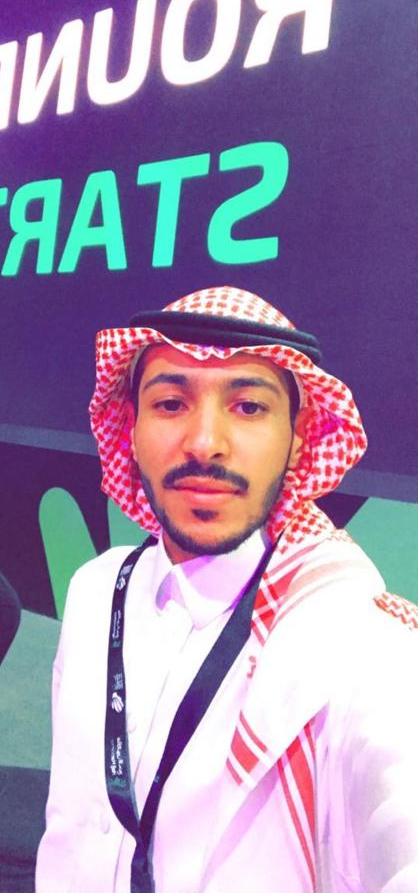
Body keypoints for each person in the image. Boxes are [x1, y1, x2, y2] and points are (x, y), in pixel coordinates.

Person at [36, 285, 418, 892]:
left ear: (298, 437)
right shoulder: (95, 589)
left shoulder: (359, 645)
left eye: (248, 407)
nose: (204, 442)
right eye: (170, 403)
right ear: (131, 428)